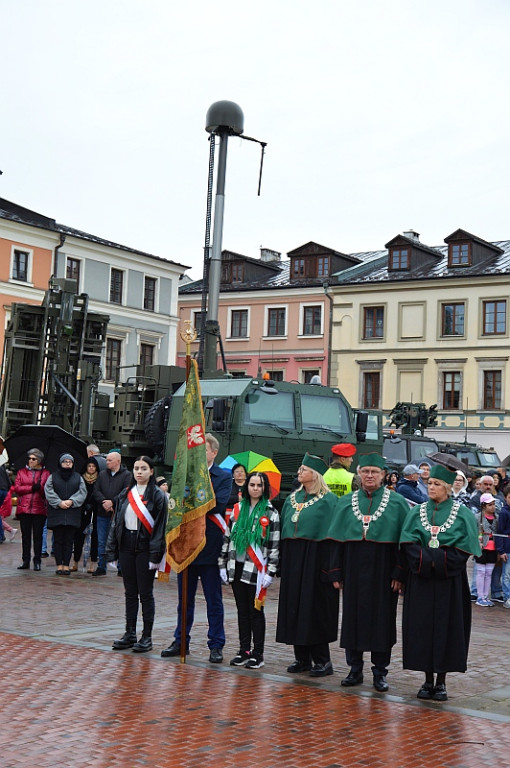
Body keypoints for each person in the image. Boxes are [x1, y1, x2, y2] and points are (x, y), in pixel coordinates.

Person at [400, 464, 481, 701]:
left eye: (436, 484)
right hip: (421, 581)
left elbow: (464, 548)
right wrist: (427, 562)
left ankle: (442, 681)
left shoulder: (463, 513)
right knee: (422, 628)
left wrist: (439, 561)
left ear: (446, 487)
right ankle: (426, 680)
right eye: (430, 483)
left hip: (449, 583)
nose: (431, 487)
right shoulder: (416, 512)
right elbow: (409, 544)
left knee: (447, 628)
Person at [332, 452, 409, 692]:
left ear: (384, 475)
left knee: (382, 621)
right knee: (353, 619)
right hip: (354, 569)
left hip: (384, 572)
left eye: (374, 472)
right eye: (365, 471)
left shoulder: (397, 503)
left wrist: (399, 572)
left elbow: (404, 542)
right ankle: (354, 669)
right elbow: (337, 540)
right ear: (358, 473)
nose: (369, 476)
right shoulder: (345, 502)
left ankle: (380, 672)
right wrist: (336, 572)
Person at [161, 433, 231, 663]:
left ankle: (216, 643)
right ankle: (181, 640)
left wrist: (192, 502)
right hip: (187, 544)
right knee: (185, 600)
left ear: (213, 452)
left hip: (209, 545)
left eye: (203, 451)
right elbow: (176, 502)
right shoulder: (185, 475)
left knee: (213, 600)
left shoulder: (223, 476)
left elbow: (217, 505)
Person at [276, 453, 341, 678]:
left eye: (303, 469)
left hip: (317, 561)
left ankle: (323, 660)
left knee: (315, 610)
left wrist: (333, 568)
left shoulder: (330, 501)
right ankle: (301, 658)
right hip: (295, 559)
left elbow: (334, 538)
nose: (298, 473)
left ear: (314, 475)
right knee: (294, 607)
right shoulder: (292, 498)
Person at [106, 456, 168, 652]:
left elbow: (160, 528)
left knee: (145, 593)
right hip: (126, 545)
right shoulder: (125, 494)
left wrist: (155, 555)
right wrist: (112, 550)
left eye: (143, 468)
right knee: (130, 593)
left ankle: (146, 637)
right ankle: (130, 633)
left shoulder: (158, 496)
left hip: (145, 547)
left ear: (151, 471)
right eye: (136, 468)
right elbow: (116, 523)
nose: (139, 472)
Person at [219, 471, 280, 669]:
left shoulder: (271, 513)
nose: (255, 488)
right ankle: (244, 650)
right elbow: (227, 538)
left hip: (257, 569)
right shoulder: (237, 509)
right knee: (242, 611)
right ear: (246, 487)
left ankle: (258, 653)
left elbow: (274, 544)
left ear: (265, 488)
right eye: (252, 484)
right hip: (236, 567)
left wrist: (270, 571)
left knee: (256, 611)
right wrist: (221, 563)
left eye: (259, 485)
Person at [44, 454, 87, 575]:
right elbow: (48, 491)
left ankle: (66, 565)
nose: (67, 463)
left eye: (70, 461)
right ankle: (59, 565)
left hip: (72, 513)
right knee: (58, 540)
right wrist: (59, 502)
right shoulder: (53, 477)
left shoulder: (78, 477)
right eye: (65, 461)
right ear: (60, 463)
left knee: (69, 541)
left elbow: (82, 492)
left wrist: (71, 501)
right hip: (57, 512)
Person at [92, 450, 131, 576]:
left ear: (118, 461)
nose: (107, 462)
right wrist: (104, 501)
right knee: (102, 540)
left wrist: (112, 502)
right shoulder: (102, 474)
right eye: (107, 460)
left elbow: (125, 492)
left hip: (118, 515)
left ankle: (121, 567)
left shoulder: (127, 476)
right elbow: (96, 490)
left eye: (109, 460)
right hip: (102, 513)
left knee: (119, 540)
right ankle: (101, 566)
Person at [13, 449, 50, 570]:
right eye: (29, 458)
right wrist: (31, 488)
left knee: (38, 536)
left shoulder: (45, 473)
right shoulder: (21, 472)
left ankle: (37, 560)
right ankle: (26, 560)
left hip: (39, 509)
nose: (30, 460)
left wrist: (39, 488)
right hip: (24, 508)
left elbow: (46, 491)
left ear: (39, 460)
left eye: (33, 459)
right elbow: (17, 488)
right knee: (25, 537)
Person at [71, 456, 101, 573]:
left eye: (93, 466)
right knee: (78, 537)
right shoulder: (80, 478)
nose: (91, 468)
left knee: (94, 537)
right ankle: (75, 562)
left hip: (95, 510)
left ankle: (93, 563)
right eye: (89, 466)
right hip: (82, 510)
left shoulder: (99, 479)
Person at [474, 494, 499, 607]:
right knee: (481, 572)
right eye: (490, 505)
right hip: (482, 548)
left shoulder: (497, 518)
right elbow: (474, 532)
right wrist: (477, 542)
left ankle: (485, 596)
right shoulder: (477, 517)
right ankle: (480, 596)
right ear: (483, 506)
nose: (493, 507)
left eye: (493, 504)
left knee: (488, 573)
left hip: (493, 548)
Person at [496, 484, 510, 608]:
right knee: (506, 575)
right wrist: (501, 550)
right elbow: (499, 532)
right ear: (506, 498)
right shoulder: (504, 513)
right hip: (507, 549)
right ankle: (507, 597)